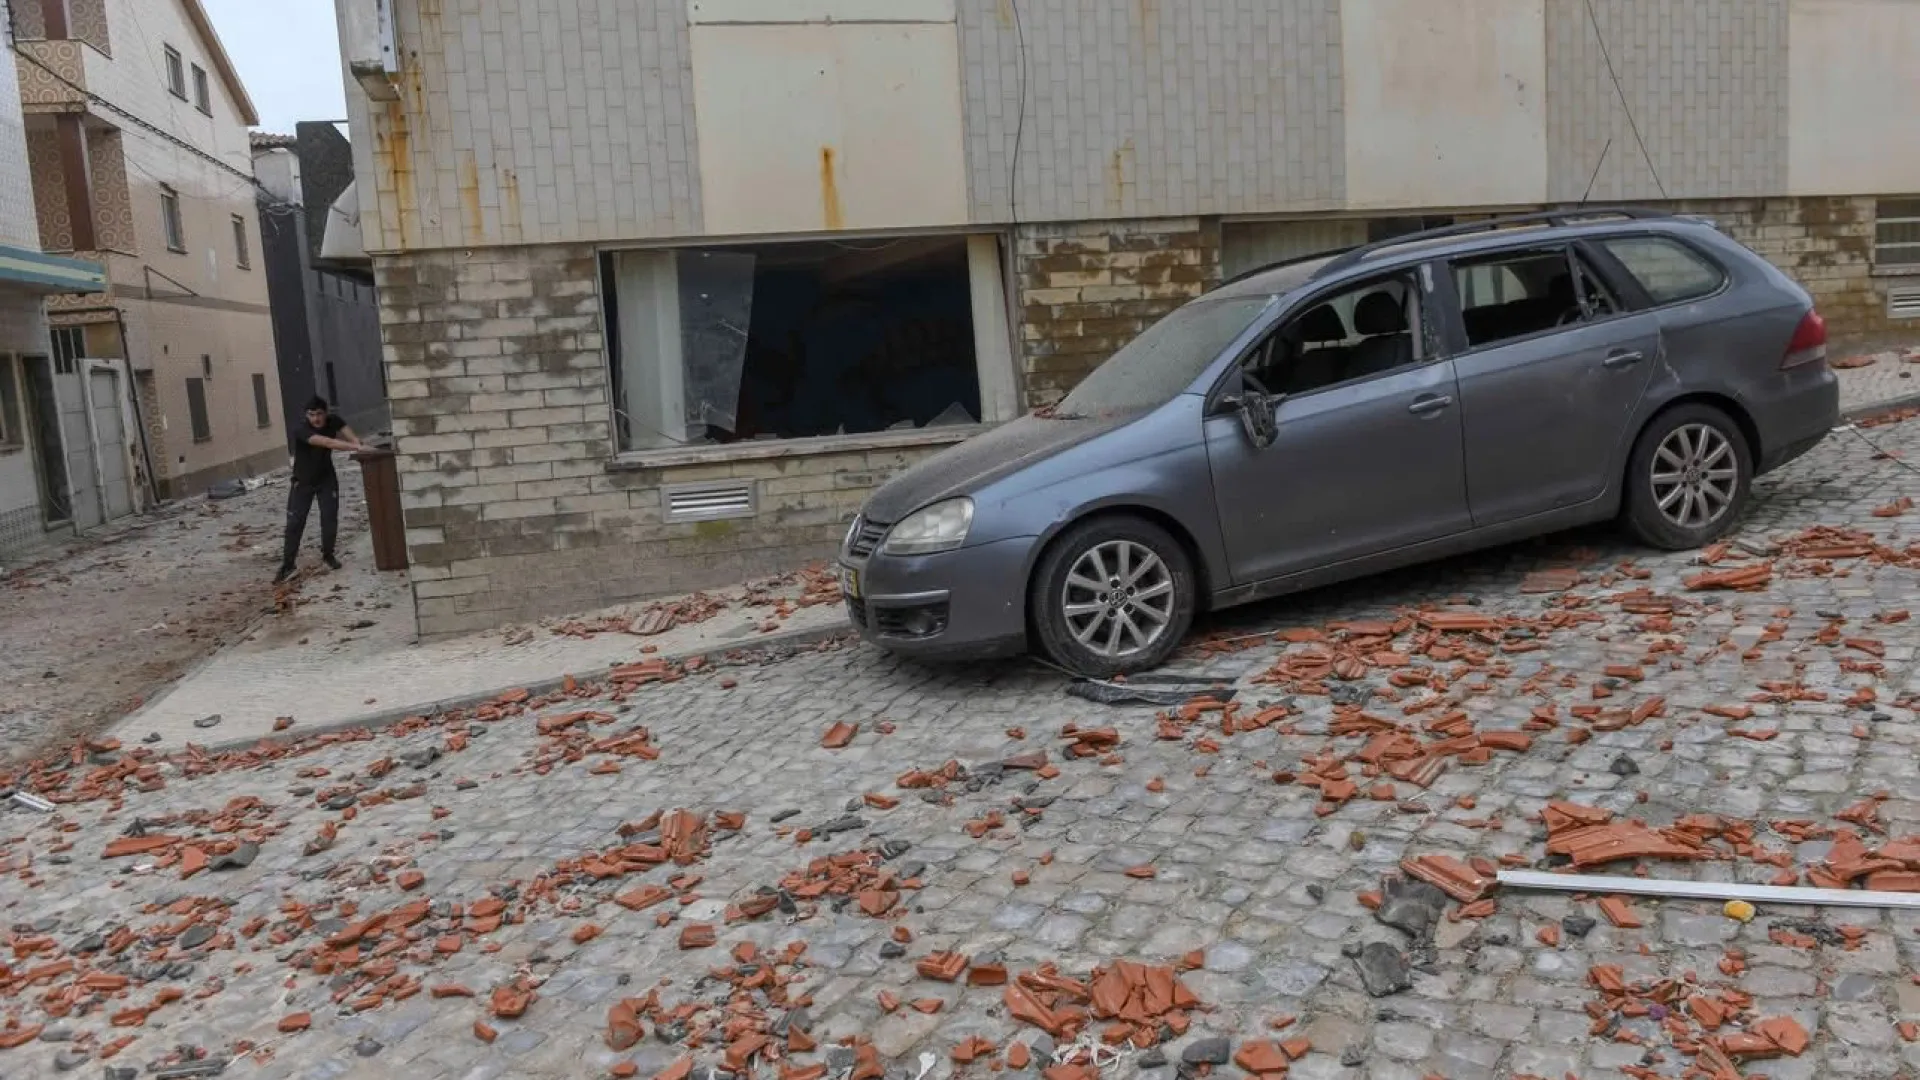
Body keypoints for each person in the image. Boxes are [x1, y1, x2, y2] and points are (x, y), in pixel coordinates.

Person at [276, 396, 363, 583]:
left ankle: (328, 555)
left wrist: (358, 444)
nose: (315, 419)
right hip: (302, 481)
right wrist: (356, 447)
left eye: (319, 414)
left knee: (329, 517)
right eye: (311, 415)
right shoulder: (301, 429)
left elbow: (351, 435)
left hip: (326, 479)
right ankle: (288, 565)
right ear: (306, 415)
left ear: (326, 413)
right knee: (295, 523)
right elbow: (328, 443)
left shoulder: (334, 421)